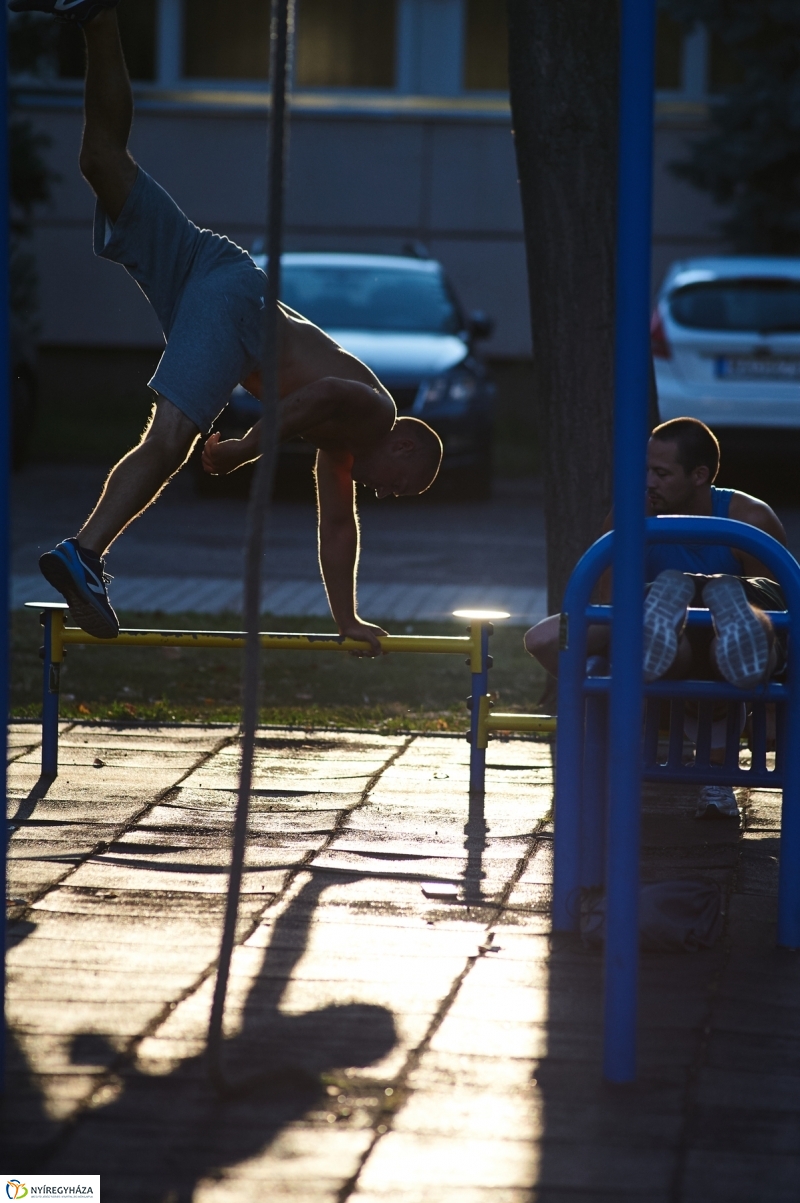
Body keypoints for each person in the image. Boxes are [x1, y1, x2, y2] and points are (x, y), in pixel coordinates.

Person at [14, 0, 443, 655]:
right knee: (171, 442)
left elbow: (338, 528)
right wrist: (245, 446)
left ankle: (96, 18)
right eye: (400, 483)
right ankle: (85, 554)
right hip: (236, 301)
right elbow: (316, 398)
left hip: (209, 267)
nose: (384, 491)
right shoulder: (374, 410)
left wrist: (346, 618)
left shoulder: (343, 451)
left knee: (102, 161)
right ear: (406, 447)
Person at [525, 417, 788, 820]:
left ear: (700, 475)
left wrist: (770, 712)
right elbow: (611, 609)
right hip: (665, 632)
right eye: (645, 470)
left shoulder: (748, 521)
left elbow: (784, 619)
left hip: (732, 642)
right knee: (545, 639)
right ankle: (657, 652)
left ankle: (709, 641)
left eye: (661, 473)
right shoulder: (630, 517)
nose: (648, 482)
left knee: (732, 646)